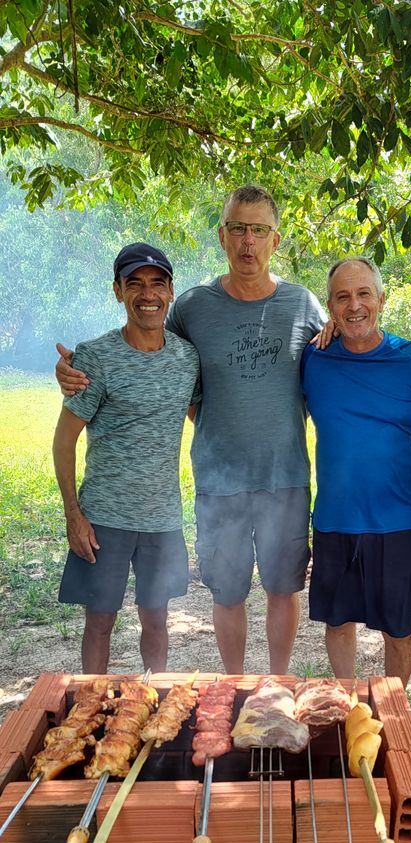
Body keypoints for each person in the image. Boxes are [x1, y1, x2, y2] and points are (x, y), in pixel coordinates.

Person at [56, 185, 326, 675]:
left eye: (259, 230)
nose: (248, 241)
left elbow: (337, 363)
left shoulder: (304, 306)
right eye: (238, 228)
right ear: (222, 236)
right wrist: (74, 371)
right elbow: (150, 349)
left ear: (276, 240)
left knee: (283, 589)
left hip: (284, 474)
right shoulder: (194, 307)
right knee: (228, 591)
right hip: (217, 482)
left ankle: (279, 683)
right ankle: (236, 686)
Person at [53, 243, 200, 673]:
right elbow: (64, 443)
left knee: (156, 621)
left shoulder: (186, 358)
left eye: (157, 284)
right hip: (104, 519)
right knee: (99, 623)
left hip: (163, 518)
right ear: (118, 291)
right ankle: (91, 711)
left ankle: (152, 706)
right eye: (134, 284)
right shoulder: (95, 358)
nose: (146, 294)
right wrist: (73, 516)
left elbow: (200, 416)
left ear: (171, 292)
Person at [302, 258, 411, 686]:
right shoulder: (312, 359)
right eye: (343, 297)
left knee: (398, 628)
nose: (354, 305)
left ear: (381, 299)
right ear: (330, 308)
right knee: (338, 622)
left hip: (398, 522)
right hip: (335, 519)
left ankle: (395, 713)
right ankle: (347, 702)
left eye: (363, 295)